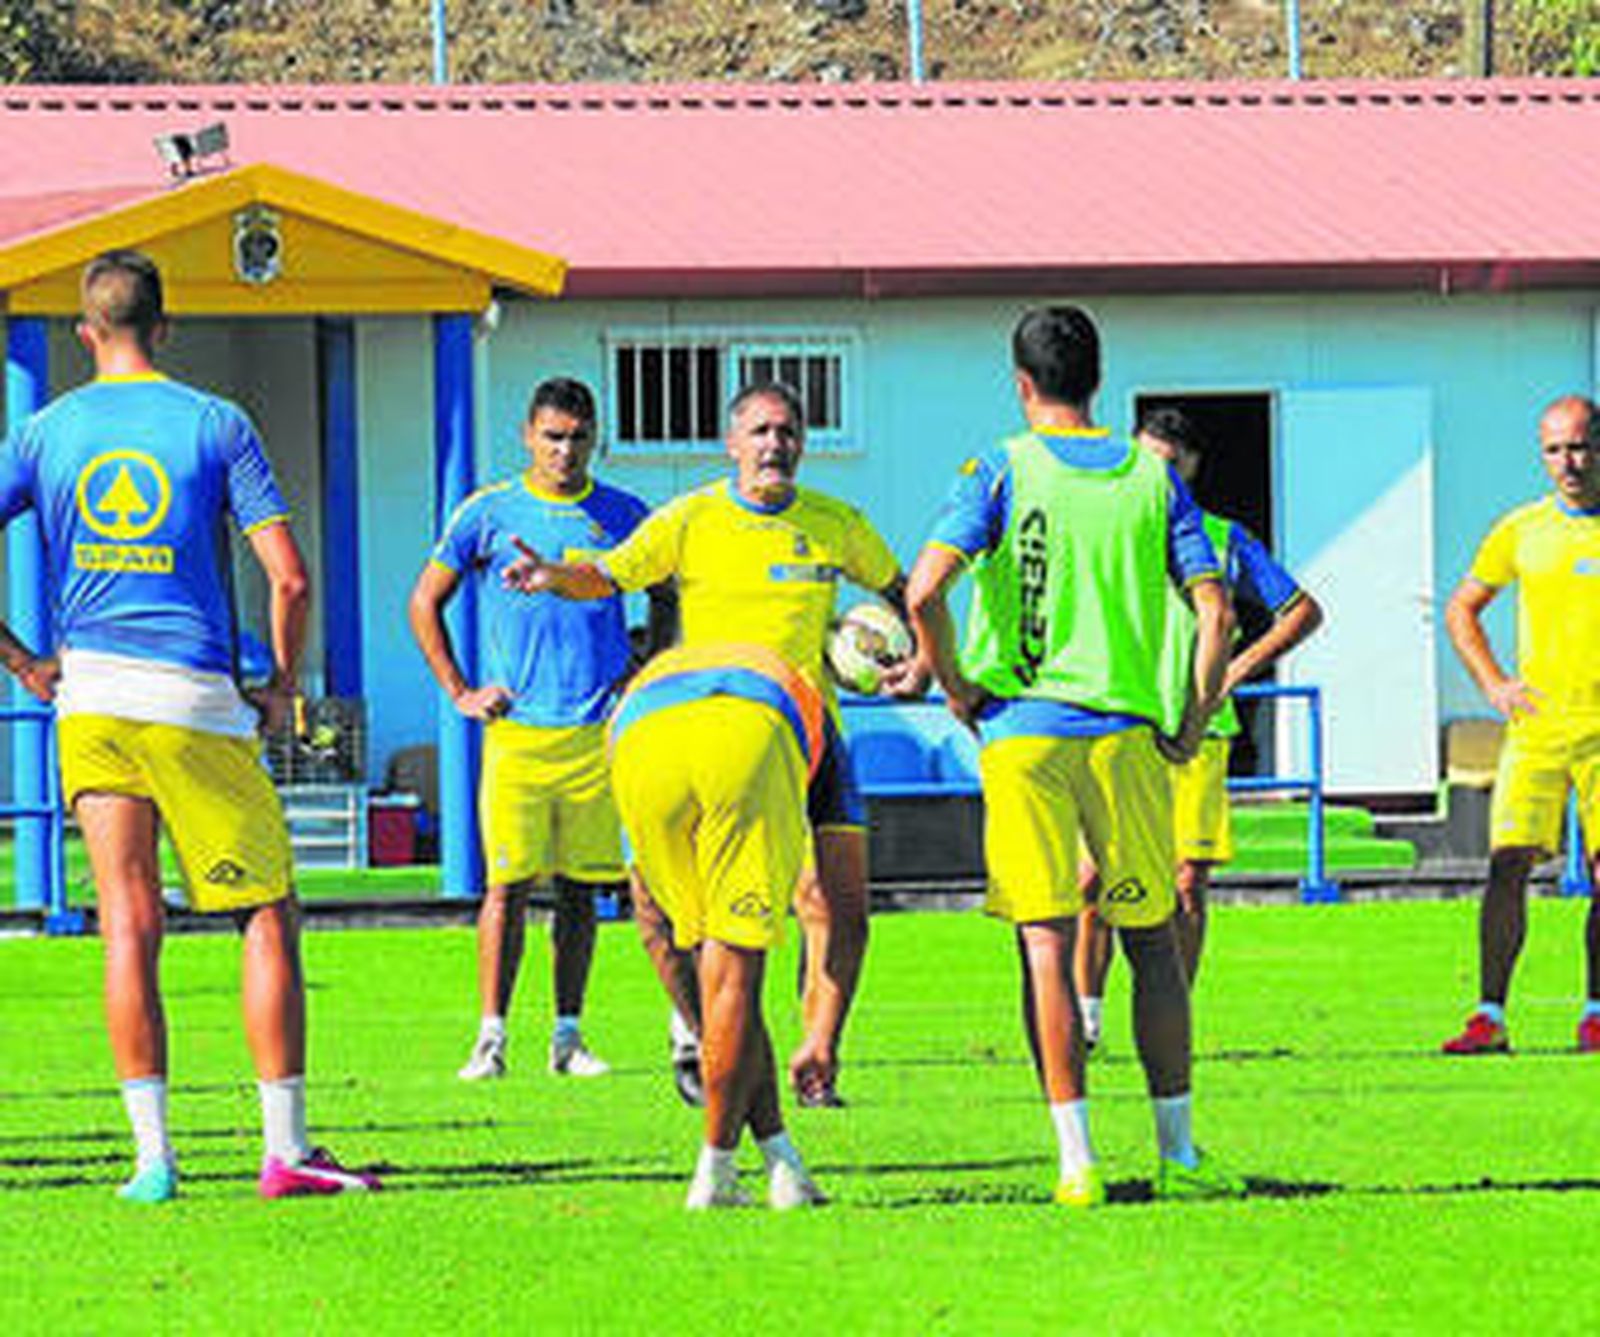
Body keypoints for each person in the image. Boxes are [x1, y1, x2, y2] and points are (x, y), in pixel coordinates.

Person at [0, 249, 377, 1202]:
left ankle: (152, 1159)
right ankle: (285, 1150)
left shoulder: (44, 431)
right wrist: (283, 679)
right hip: (197, 698)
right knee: (264, 911)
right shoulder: (216, 421)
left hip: (88, 696)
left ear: (85, 334)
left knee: (126, 922)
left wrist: (23, 661)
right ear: (163, 326)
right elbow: (288, 574)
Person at [903, 306, 1243, 1206]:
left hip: (1024, 734)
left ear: (1022, 384)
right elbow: (1215, 612)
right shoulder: (1151, 474)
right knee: (1155, 949)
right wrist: (1192, 714)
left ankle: (1077, 1163)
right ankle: (1180, 1155)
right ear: (1100, 379)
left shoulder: (1000, 468)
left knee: (1047, 946)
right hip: (1126, 739)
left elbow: (924, 587)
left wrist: (953, 681)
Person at [504, 381, 916, 1108]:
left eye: (787, 432)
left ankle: (818, 1053)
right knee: (657, 911)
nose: (773, 445)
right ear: (732, 445)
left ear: (802, 446)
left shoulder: (835, 523)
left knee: (835, 904)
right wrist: (549, 576)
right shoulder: (691, 518)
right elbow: (609, 574)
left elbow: (905, 590)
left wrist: (921, 661)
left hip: (809, 735)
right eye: (759, 431)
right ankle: (708, 1035)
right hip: (700, 733)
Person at [409, 377, 671, 1081]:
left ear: (597, 438)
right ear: (527, 435)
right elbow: (424, 601)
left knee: (585, 890)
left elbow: (668, 589)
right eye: (552, 436)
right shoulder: (487, 512)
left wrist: (642, 671)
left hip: (596, 732)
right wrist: (461, 690)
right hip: (517, 732)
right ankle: (490, 1038)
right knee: (508, 886)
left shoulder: (622, 513)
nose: (565, 449)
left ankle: (568, 1037)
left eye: (578, 436)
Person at [1074, 407, 1324, 1047]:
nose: (1155, 474)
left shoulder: (1221, 539)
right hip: (1115, 724)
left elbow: (1300, 610)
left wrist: (1236, 667)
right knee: (1092, 880)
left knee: (1186, 884)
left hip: (1199, 736)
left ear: (1190, 468)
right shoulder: (1107, 529)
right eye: (1145, 460)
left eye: (1168, 463)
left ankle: (1172, 1017)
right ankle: (1087, 1018)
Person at [606, 641, 829, 1209]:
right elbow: (843, 907)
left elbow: (650, 920)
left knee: (720, 980)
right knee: (734, 975)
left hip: (634, 746)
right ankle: (716, 1173)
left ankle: (782, 1162)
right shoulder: (805, 693)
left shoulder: (650, 683)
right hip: (744, 739)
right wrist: (825, 1033)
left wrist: (707, 1032)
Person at [1441, 394, 1600, 1055]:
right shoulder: (1521, 529)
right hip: (1536, 728)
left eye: (1580, 445)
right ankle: (1489, 1015)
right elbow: (1463, 608)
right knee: (1506, 866)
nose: (1569, 461)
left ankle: (1595, 1012)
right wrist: (1494, 684)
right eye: (1555, 449)